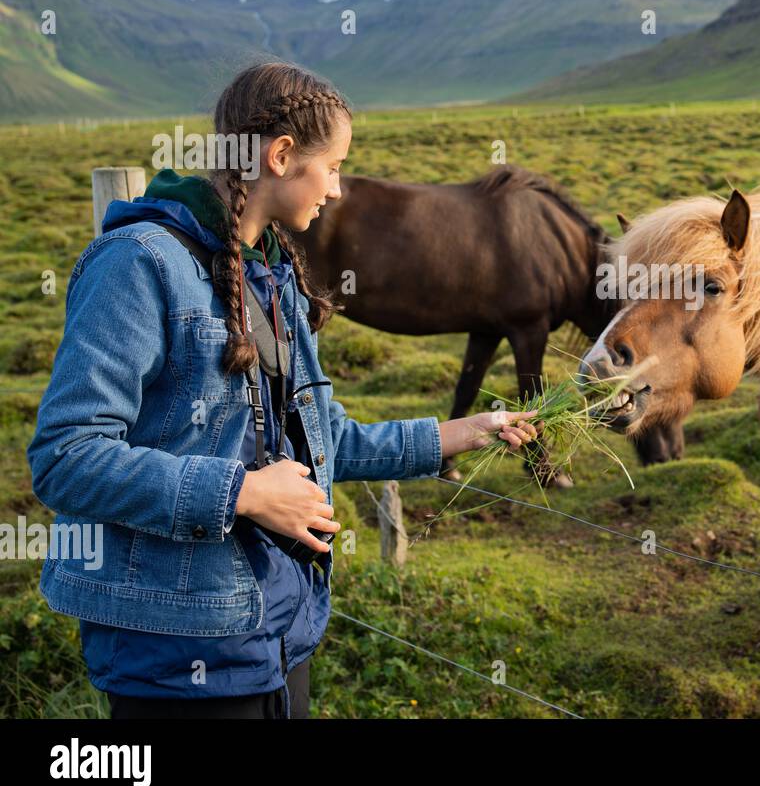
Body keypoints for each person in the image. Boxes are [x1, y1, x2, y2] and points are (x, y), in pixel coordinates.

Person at [27, 60, 537, 718]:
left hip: (276, 634)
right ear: (282, 155)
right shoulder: (138, 264)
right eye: (333, 166)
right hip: (178, 654)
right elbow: (66, 458)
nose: (338, 188)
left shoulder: (270, 272)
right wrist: (242, 492)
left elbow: (328, 440)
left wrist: (461, 434)